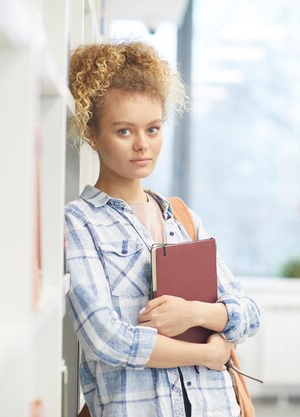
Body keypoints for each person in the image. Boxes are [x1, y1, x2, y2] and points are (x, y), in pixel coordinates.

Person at [65, 41, 260, 417]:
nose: (143, 145)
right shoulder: (80, 221)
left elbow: (248, 312)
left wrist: (193, 314)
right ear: (92, 134)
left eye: (153, 129)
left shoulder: (183, 218)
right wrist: (205, 353)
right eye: (124, 131)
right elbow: (107, 339)